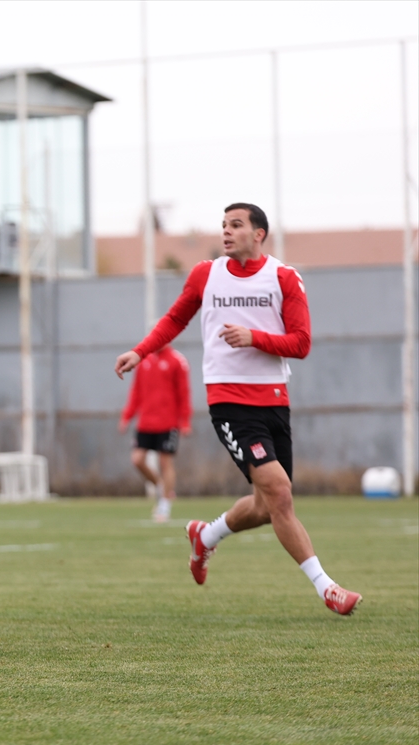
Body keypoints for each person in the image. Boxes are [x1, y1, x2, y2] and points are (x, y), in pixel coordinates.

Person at [114, 203, 361, 615]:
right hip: (229, 402)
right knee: (280, 494)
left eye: (236, 225)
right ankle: (327, 588)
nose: (226, 232)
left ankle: (205, 537)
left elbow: (301, 343)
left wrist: (255, 337)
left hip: (275, 401)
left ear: (258, 233)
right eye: (223, 225)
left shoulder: (283, 277)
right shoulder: (204, 274)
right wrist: (141, 352)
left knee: (267, 507)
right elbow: (175, 319)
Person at [118, 346, 191, 522]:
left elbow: (184, 392)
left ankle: (164, 506)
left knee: (165, 462)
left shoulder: (177, 361)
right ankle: (162, 487)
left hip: (168, 423)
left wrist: (185, 421)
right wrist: (127, 416)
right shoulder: (143, 360)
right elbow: (136, 391)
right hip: (146, 422)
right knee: (137, 460)